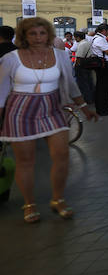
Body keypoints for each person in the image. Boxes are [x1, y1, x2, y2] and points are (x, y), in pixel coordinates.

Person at [0, 17, 98, 223]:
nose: (38, 37)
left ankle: (58, 199)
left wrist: (83, 108)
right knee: (26, 161)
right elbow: (1, 93)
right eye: (32, 33)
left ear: (49, 35)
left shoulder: (61, 56)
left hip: (52, 108)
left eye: (42, 33)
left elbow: (70, 85)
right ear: (24, 36)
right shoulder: (11, 58)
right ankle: (29, 204)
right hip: (20, 111)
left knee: (62, 155)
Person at [73, 31, 95, 105]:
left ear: (78, 37)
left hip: (81, 66)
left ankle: (87, 99)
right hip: (87, 65)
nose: (74, 39)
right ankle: (91, 98)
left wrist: (76, 66)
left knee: (83, 84)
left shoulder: (82, 44)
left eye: (75, 37)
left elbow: (79, 57)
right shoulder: (88, 42)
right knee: (89, 82)